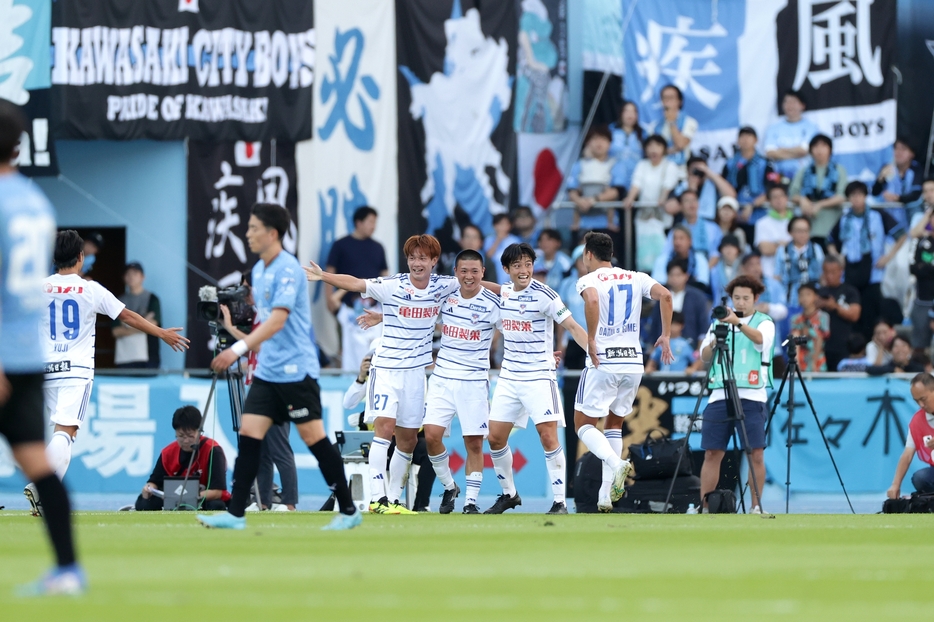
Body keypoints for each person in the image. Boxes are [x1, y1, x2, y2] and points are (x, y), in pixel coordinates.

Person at [198, 203, 360, 531]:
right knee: (249, 435)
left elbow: (278, 320)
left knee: (313, 438)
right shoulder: (259, 270)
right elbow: (263, 323)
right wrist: (239, 339)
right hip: (267, 372)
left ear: (272, 233)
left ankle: (348, 510)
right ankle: (236, 515)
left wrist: (238, 350)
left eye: (253, 227)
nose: (247, 233)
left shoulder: (288, 269)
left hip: (295, 371)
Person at [307, 234, 482, 513]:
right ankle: (378, 498)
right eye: (412, 257)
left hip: (415, 374)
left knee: (409, 439)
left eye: (422, 258)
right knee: (384, 430)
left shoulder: (443, 286)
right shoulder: (392, 285)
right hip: (386, 368)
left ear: (434, 261)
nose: (416, 263)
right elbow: (355, 282)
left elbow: (476, 283)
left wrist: (514, 290)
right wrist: (323, 276)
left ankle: (394, 498)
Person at [27, 231, 189, 516]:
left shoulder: (38, 287)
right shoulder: (90, 289)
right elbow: (127, 315)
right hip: (75, 371)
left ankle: (45, 501)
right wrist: (161, 333)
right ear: (80, 257)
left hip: (46, 371)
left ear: (53, 258)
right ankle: (42, 484)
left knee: (63, 433)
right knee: (66, 433)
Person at [0, 98, 83, 595]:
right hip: (28, 355)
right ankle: (69, 570)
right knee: (38, 464)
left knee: (37, 460)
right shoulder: (35, 200)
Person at [484, 242, 590, 515]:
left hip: (539, 376)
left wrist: (594, 354)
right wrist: (464, 279)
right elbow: (492, 288)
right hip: (508, 376)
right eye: (517, 265)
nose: (524, 270)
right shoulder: (504, 292)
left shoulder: (547, 296)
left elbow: (573, 326)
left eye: (528, 264)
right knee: (495, 438)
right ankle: (509, 495)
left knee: (548, 436)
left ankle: (560, 502)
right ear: (506, 269)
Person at [574, 232, 674, 512]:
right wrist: (665, 335)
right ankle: (605, 496)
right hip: (633, 362)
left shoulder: (588, 279)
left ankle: (617, 464)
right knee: (614, 425)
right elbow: (665, 295)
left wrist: (592, 338)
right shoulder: (636, 276)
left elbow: (592, 301)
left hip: (603, 360)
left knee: (583, 424)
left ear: (589, 255)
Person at [420, 249, 501, 514]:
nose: (469, 276)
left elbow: (514, 331)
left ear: (483, 273)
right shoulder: (445, 296)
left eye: (474, 271)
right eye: (463, 271)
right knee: (431, 437)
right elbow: (415, 312)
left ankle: (470, 502)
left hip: (474, 380)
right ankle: (449, 485)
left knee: (474, 443)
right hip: (442, 377)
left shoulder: (493, 302)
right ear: (455, 273)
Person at [698, 275, 775, 513]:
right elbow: (704, 355)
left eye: (745, 298)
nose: (740, 303)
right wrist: (717, 337)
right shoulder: (719, 322)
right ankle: (705, 506)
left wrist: (738, 323)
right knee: (712, 452)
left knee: (756, 454)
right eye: (736, 298)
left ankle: (755, 506)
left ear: (756, 298)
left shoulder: (764, 321)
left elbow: (761, 341)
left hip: (752, 395)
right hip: (720, 392)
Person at [219, 281, 297, 512]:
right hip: (258, 386)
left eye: (247, 289)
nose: (244, 294)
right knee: (260, 450)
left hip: (277, 388)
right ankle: (264, 502)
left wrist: (231, 327)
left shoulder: (273, 316)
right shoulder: (257, 316)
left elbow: (264, 349)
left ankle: (290, 503)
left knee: (279, 447)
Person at [827, 181, 907, 340]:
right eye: (852, 195)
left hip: (873, 272)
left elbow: (901, 235)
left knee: (871, 311)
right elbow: (829, 241)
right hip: (850, 271)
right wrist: (837, 257)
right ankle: (855, 346)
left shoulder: (878, 215)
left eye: (859, 195)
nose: (856, 199)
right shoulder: (844, 219)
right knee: (852, 311)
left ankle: (872, 344)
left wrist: (888, 257)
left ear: (865, 196)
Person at [325, 206, 389, 372]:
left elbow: (385, 276)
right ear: (358, 223)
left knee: (375, 348)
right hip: (347, 307)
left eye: (375, 222)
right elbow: (329, 273)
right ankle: (346, 382)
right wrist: (329, 300)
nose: (373, 226)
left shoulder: (378, 247)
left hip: (373, 309)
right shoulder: (341, 245)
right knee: (346, 347)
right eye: (370, 222)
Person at [137, 406, 228, 511]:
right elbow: (154, 482)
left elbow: (217, 492)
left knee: (216, 506)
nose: (185, 441)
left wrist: (188, 498)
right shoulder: (167, 453)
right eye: (181, 436)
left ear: (200, 432)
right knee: (143, 503)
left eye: (190, 436)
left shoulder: (213, 451)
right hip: (174, 500)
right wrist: (148, 488)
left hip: (202, 499)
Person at [566, 125, 627, 232]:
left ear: (610, 143)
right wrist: (580, 201)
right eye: (595, 138)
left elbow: (616, 191)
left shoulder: (616, 165)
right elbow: (572, 190)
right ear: (588, 142)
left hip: (606, 224)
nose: (599, 143)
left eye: (603, 139)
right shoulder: (579, 165)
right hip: (583, 223)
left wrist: (594, 200)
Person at [789, 134, 848, 243]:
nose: (819, 150)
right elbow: (792, 194)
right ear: (811, 150)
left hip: (833, 227)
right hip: (808, 229)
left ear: (830, 150)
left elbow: (842, 196)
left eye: (823, 146)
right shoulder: (804, 171)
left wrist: (820, 205)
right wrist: (803, 200)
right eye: (816, 147)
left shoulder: (839, 170)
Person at [887, 373, 934, 499]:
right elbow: (907, 454)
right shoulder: (917, 421)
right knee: (920, 478)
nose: (921, 405)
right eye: (916, 401)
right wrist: (895, 485)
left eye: (923, 399)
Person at [112, 262, 164, 369]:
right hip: (125, 356)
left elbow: (154, 324)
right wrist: (144, 323)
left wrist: (126, 325)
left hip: (149, 356)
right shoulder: (118, 301)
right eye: (128, 274)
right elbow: (116, 331)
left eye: (135, 273)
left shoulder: (152, 299)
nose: (131, 277)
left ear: (142, 277)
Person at [646, 259, 710, 346]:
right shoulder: (661, 296)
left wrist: (699, 351)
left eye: (678, 275)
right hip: (664, 345)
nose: (675, 279)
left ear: (686, 276)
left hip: (689, 344)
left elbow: (703, 325)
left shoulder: (698, 297)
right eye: (671, 275)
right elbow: (655, 324)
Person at [817, 256, 862, 373]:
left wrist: (835, 307)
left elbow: (855, 315)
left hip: (843, 346)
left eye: (833, 272)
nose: (829, 275)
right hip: (821, 347)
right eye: (826, 272)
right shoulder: (818, 293)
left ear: (841, 272)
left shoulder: (850, 291)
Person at [763, 90, 820, 182]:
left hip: (805, 176)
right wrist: (795, 152)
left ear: (802, 105)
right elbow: (770, 153)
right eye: (786, 102)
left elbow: (804, 151)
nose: (789, 105)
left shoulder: (811, 127)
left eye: (793, 102)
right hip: (779, 177)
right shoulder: (773, 128)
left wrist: (781, 150)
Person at [722, 126, 775, 223]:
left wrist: (752, 205)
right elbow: (724, 186)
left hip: (760, 214)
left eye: (749, 136)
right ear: (737, 141)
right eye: (742, 136)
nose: (745, 139)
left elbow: (771, 188)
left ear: (756, 140)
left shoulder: (766, 163)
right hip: (734, 215)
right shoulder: (729, 164)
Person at [774, 216, 825, 308]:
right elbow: (777, 276)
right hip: (789, 298)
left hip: (812, 299)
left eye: (806, 231)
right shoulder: (782, 251)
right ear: (790, 232)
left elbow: (822, 275)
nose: (802, 234)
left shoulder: (816, 249)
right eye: (798, 231)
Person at [667, 156, 736, 223]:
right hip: (685, 224)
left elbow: (731, 195)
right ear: (688, 171)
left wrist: (710, 173)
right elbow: (669, 208)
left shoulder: (712, 185)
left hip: (708, 225)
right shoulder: (681, 186)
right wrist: (691, 190)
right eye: (695, 170)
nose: (698, 174)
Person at [667, 190, 722, 265]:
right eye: (687, 201)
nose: (691, 204)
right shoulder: (676, 231)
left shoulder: (713, 228)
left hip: (709, 270)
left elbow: (717, 254)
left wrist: (703, 271)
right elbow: (667, 253)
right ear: (681, 206)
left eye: (694, 200)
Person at [651, 225, 711, 292]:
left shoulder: (699, 259)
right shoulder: (663, 259)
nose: (677, 242)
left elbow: (702, 284)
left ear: (690, 241)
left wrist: (676, 282)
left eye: (681, 238)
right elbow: (658, 285)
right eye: (675, 238)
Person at [754, 186, 794, 279]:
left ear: (787, 198)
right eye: (774, 197)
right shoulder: (762, 223)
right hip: (769, 273)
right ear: (769, 201)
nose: (778, 200)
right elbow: (765, 249)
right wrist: (788, 245)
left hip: (792, 273)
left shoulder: (796, 222)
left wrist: (776, 244)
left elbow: (800, 247)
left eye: (781, 196)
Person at [871, 139, 924, 210]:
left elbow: (916, 194)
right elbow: (875, 192)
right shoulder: (887, 168)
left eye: (903, 149)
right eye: (896, 148)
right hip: (890, 211)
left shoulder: (917, 169)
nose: (898, 152)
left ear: (912, 153)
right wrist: (880, 179)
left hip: (911, 210)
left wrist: (898, 198)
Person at [789, 284, 830, 372]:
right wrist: (796, 364)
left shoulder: (823, 317)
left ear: (815, 297)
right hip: (801, 362)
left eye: (808, 294)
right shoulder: (795, 319)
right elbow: (795, 341)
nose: (805, 298)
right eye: (801, 295)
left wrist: (814, 364)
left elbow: (820, 338)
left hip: (818, 362)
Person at [657, 84, 697, 166]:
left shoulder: (690, 122)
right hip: (660, 169)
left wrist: (672, 122)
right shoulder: (655, 126)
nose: (667, 101)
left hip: (681, 170)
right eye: (664, 98)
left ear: (679, 101)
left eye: (671, 98)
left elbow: (681, 144)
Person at [909, 230, 934, 349]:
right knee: (919, 347)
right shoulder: (920, 241)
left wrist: (924, 266)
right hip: (923, 301)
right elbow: (913, 268)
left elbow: (920, 269)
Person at [608, 100, 644, 184]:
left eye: (633, 111)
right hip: (612, 178)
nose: (630, 114)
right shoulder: (610, 131)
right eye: (627, 111)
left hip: (636, 180)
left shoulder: (643, 134)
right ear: (621, 113)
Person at [484, 213, 521, 284]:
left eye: (505, 224)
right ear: (494, 226)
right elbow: (488, 257)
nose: (502, 227)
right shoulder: (488, 240)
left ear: (510, 226)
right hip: (492, 275)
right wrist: (498, 240)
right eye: (499, 224)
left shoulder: (515, 240)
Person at [710, 235, 743, 302]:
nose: (729, 250)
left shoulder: (743, 269)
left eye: (732, 247)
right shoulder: (714, 271)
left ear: (737, 250)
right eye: (726, 247)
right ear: (721, 250)